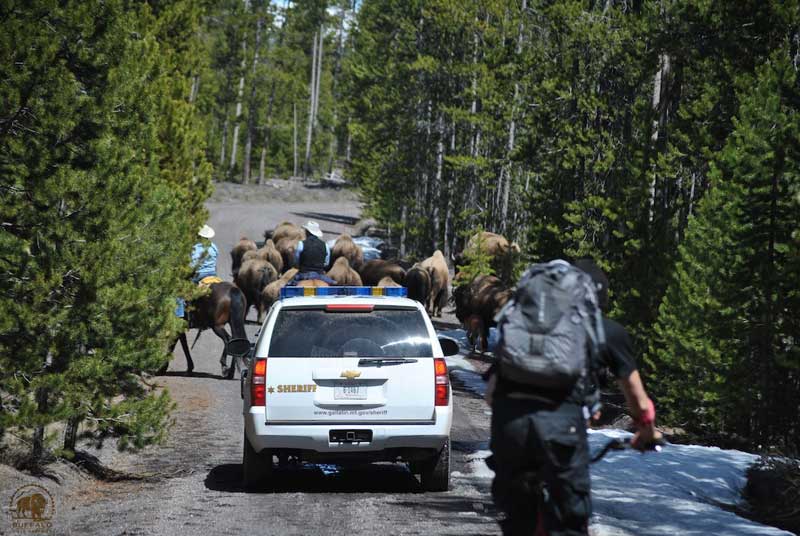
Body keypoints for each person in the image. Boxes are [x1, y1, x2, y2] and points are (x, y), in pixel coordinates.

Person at [485, 258, 660, 536]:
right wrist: (646, 431)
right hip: (560, 432)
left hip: (511, 428)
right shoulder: (606, 331)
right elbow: (639, 401)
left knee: (518, 520)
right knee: (569, 523)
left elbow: (491, 395)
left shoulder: (527, 330)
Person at [175, 224, 219, 319]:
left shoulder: (195, 248)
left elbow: (192, 266)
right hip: (212, 274)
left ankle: (179, 315)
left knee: (179, 293)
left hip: (199, 275)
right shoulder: (213, 246)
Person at [290, 221, 335, 285]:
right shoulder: (325, 245)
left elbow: (296, 260)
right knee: (334, 283)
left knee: (288, 284)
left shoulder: (301, 244)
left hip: (303, 274)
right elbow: (326, 263)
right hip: (320, 275)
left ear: (307, 232)